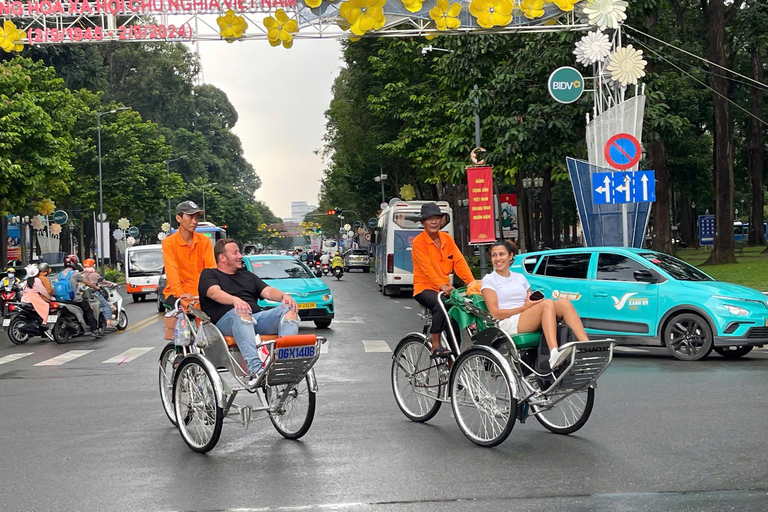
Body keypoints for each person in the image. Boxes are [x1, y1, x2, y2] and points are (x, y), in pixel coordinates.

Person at [199, 238, 300, 384]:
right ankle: (255, 369)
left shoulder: (247, 275)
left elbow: (268, 291)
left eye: (239, 252)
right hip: (225, 323)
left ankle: (284, 364)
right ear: (222, 258)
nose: (240, 255)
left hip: (255, 318)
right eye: (235, 253)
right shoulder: (209, 274)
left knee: (289, 310)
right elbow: (214, 293)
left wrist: (284, 296)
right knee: (242, 313)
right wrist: (235, 300)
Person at [480, 240, 588, 370]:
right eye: (494, 255)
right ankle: (554, 352)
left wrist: (531, 304)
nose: (498, 259)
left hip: (525, 316)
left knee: (563, 303)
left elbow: (529, 301)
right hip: (506, 322)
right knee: (547, 304)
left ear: (510, 256)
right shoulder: (489, 280)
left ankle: (586, 348)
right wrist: (524, 308)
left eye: (501, 254)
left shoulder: (520, 277)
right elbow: (495, 312)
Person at [412, 202, 475, 358]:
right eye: (429, 219)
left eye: (437, 218)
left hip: (445, 289)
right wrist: (441, 285)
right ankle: (435, 344)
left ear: (441, 221)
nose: (434, 222)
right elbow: (427, 269)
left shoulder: (447, 239)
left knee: (454, 322)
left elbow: (459, 262)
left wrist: (472, 283)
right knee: (439, 304)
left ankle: (454, 364)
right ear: (422, 222)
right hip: (424, 288)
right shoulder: (419, 242)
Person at [162, 200, 216, 307]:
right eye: (190, 217)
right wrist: (180, 293)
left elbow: (211, 269)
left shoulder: (204, 241)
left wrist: (212, 291)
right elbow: (171, 270)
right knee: (174, 319)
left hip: (201, 295)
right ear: (178, 218)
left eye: (196, 218)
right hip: (178, 295)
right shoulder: (169, 243)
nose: (195, 221)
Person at [59, 254, 103, 338]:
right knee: (88, 310)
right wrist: (96, 287)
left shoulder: (60, 274)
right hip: (75, 299)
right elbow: (87, 283)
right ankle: (94, 330)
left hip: (61, 300)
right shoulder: (75, 274)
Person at [20, 265, 54, 340]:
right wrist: (49, 297)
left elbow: (23, 290)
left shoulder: (26, 281)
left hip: (24, 298)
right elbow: (43, 291)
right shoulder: (37, 280)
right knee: (45, 307)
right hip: (34, 298)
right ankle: (44, 324)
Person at [82, 258, 117, 331]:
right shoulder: (94, 275)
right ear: (93, 266)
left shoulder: (82, 275)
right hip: (94, 294)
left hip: (84, 296)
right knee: (106, 306)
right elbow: (104, 282)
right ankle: (108, 324)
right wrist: (112, 284)